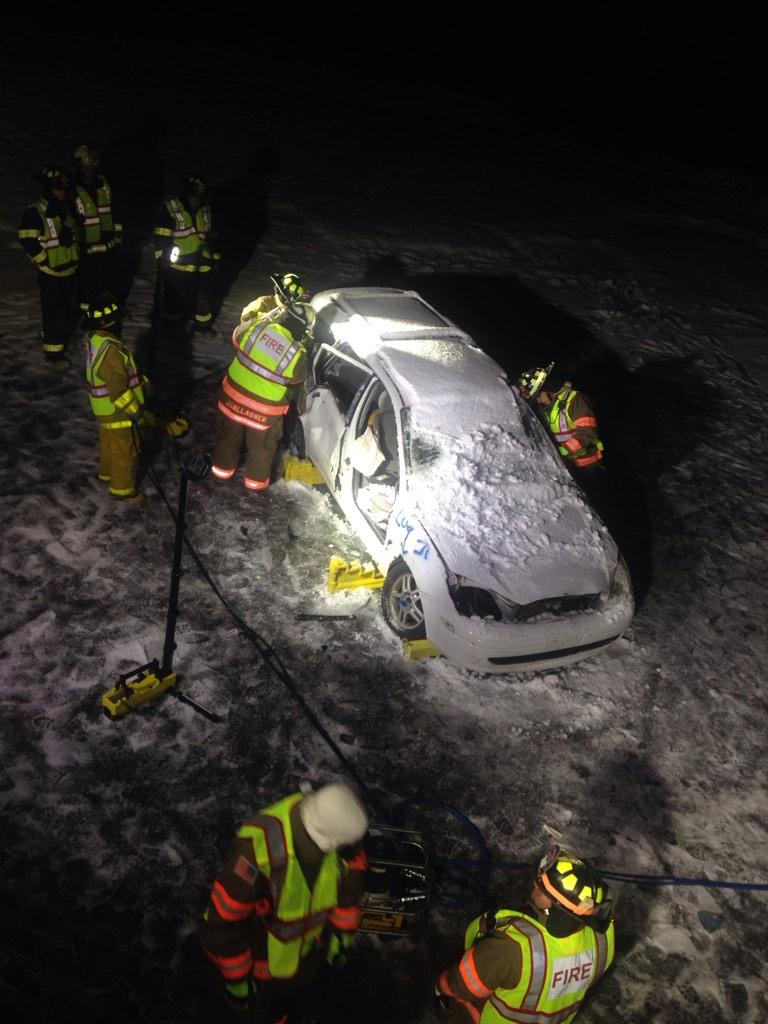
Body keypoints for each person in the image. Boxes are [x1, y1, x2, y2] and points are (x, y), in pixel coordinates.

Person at [200, 782, 369, 1023]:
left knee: (290, 1005)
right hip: (260, 966)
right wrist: (237, 981)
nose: (354, 851)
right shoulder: (257, 852)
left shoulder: (342, 843)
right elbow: (223, 923)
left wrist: (343, 931)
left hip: (303, 960)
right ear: (330, 842)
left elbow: (350, 878)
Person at [436, 846, 615, 1023]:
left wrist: (441, 987)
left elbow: (463, 985)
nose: (534, 886)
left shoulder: (512, 948)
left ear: (556, 908)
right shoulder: (603, 939)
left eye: (542, 888)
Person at [211, 273, 314, 491]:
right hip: (263, 413)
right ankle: (255, 486)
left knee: (227, 439)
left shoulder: (257, 328)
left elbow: (236, 338)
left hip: (231, 399)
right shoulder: (297, 353)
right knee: (262, 449)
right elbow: (299, 377)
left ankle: (221, 473)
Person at [84, 293, 146, 505]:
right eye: (118, 320)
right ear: (110, 323)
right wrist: (135, 410)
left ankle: (108, 475)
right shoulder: (111, 350)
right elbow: (118, 389)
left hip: (103, 409)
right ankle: (123, 490)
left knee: (109, 443)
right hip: (117, 410)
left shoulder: (97, 341)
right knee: (125, 449)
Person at [18, 164, 80, 369]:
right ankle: (53, 352)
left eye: (64, 189)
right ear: (48, 189)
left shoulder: (66, 209)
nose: (63, 192)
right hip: (51, 272)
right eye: (58, 189)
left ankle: (62, 340)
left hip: (69, 268)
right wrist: (43, 260)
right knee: (54, 311)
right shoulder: (35, 211)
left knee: (68, 310)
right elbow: (27, 240)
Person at [153, 175, 220, 332]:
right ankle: (171, 327)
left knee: (203, 298)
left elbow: (213, 236)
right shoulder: (172, 207)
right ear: (186, 193)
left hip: (202, 264)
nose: (195, 199)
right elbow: (161, 233)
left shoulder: (206, 210)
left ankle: (202, 326)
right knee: (174, 298)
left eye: (199, 196)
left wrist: (216, 258)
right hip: (178, 265)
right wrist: (161, 257)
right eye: (193, 195)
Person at [518, 363, 605, 473]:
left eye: (538, 395)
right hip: (567, 468)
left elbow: (587, 432)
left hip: (588, 467)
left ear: (548, 388)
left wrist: (561, 452)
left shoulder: (574, 401)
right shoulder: (545, 409)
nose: (538, 400)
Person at [72, 144, 122, 313]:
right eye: (86, 168)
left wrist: (117, 237)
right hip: (85, 245)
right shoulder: (73, 189)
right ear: (79, 167)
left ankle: (105, 312)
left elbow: (113, 211)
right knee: (86, 282)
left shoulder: (103, 184)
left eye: (93, 168)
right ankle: (86, 315)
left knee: (106, 280)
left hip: (107, 243)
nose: (90, 171)